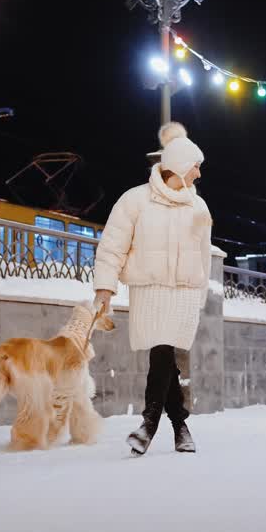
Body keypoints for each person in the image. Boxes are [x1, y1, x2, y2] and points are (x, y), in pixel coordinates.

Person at [93, 122, 212, 455]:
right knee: (164, 355)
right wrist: (105, 287)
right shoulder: (136, 200)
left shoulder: (198, 207)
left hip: (184, 293)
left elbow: (204, 253)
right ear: (178, 166)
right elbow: (112, 245)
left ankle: (148, 425)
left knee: (164, 354)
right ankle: (179, 426)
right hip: (150, 289)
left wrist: (200, 295)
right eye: (196, 167)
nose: (199, 175)